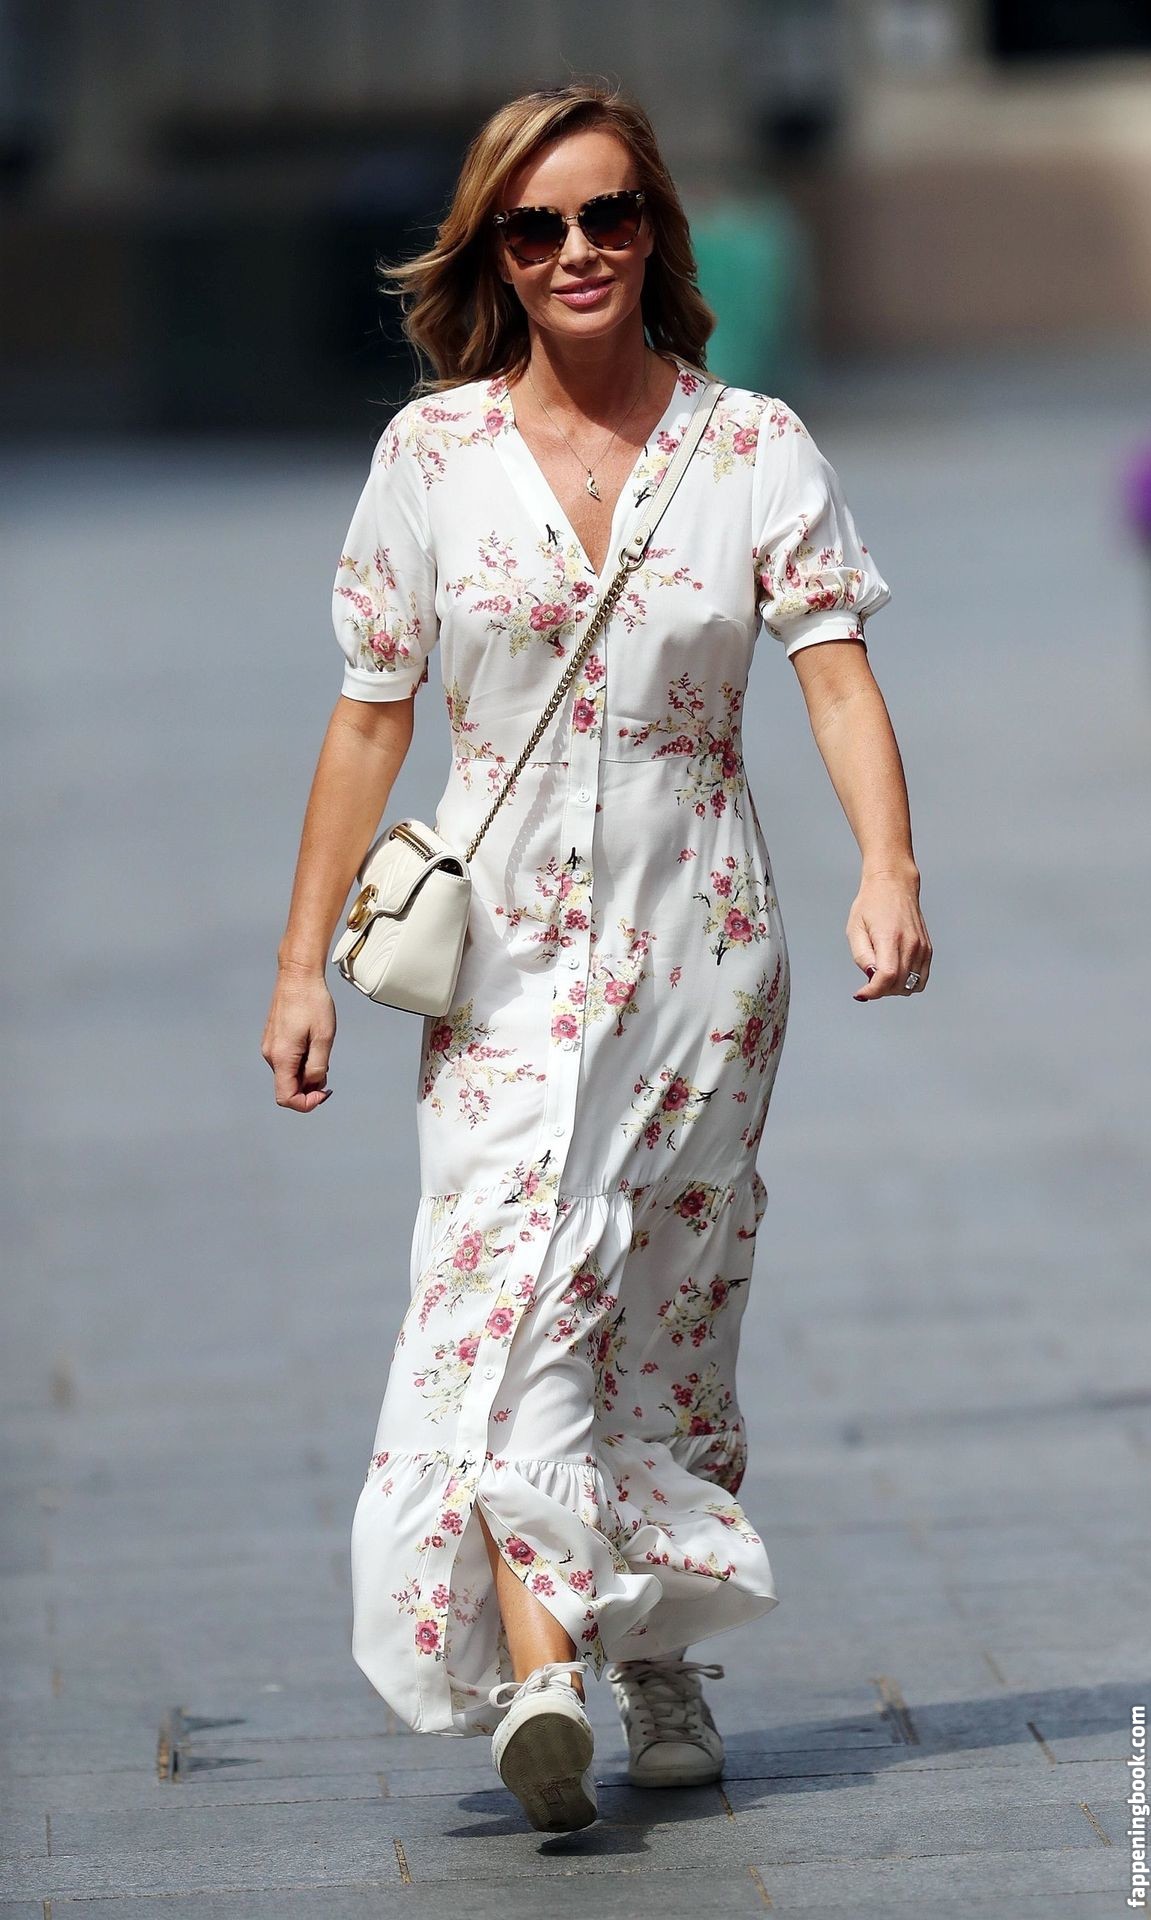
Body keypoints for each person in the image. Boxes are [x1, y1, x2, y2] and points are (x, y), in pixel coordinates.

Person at [261, 81, 932, 1835]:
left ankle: (656, 1657)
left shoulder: (754, 446)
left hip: (705, 947)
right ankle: (545, 1670)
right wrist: (303, 964)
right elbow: (369, 719)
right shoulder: (429, 460)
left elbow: (835, 676)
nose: (579, 250)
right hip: (498, 963)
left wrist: (888, 866)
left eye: (610, 214)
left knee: (673, 1309)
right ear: (494, 250)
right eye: (538, 225)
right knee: (513, 1282)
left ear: (656, 232)